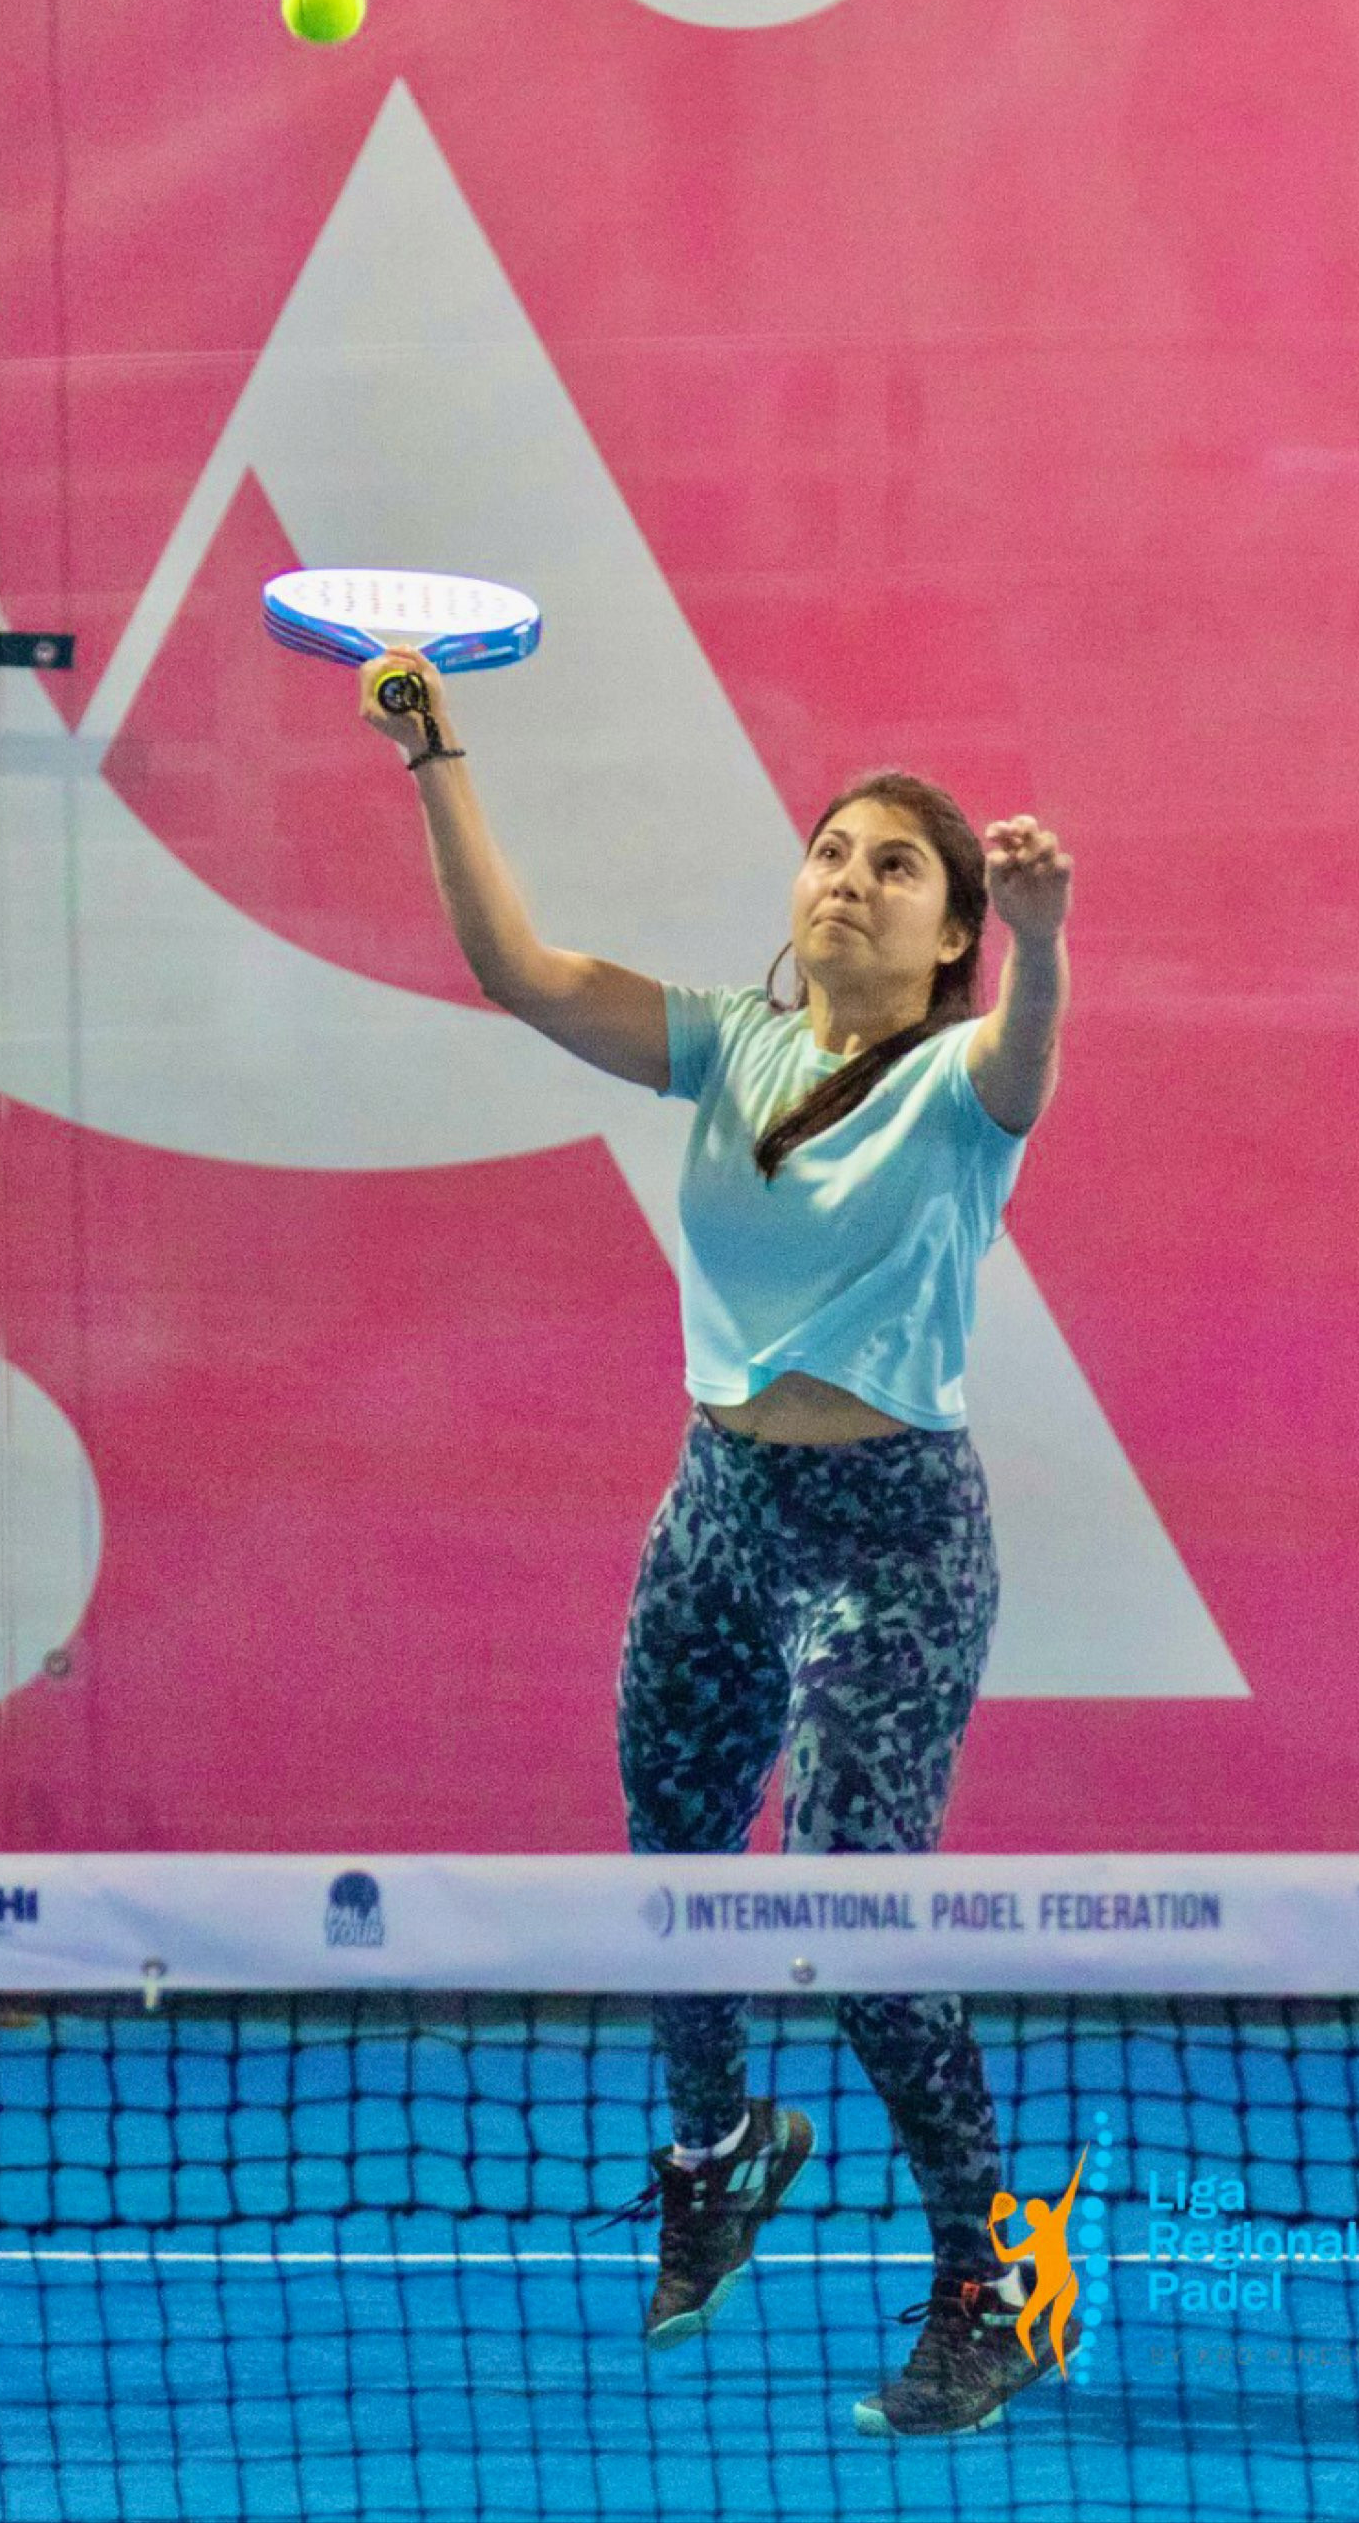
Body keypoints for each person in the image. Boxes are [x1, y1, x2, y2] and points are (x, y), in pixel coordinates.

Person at [361, 652, 1073, 2437]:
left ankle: (998, 2281)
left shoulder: (962, 1085)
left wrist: (1046, 941)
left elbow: (1025, 1052)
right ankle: (722, 2148)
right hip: (721, 1515)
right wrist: (435, 752)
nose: (848, 880)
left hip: (893, 1546)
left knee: (852, 1900)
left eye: (895, 869)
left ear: (949, 936)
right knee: (674, 1858)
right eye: (831, 852)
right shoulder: (727, 1043)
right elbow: (518, 972)